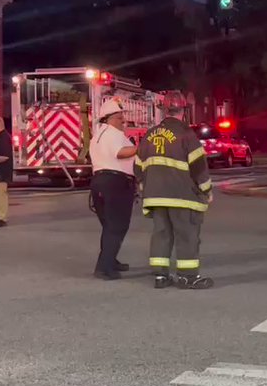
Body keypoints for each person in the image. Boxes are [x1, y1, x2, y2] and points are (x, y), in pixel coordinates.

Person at [135, 92, 214, 290]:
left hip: (155, 196)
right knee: (186, 234)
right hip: (182, 196)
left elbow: (138, 167)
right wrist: (207, 190)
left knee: (161, 234)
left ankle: (161, 277)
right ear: (184, 111)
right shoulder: (186, 134)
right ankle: (187, 277)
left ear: (163, 111)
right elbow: (198, 167)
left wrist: (146, 188)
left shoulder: (150, 134)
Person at [89, 98, 138, 280]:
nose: (122, 121)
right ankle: (104, 268)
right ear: (107, 118)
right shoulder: (112, 134)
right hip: (115, 183)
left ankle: (111, 259)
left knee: (109, 225)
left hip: (101, 182)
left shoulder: (99, 135)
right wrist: (141, 148)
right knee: (116, 226)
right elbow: (121, 152)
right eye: (119, 118)